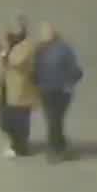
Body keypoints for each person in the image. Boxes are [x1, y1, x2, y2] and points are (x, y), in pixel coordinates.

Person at [30, 23, 83, 159]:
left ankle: (57, 146)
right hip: (57, 90)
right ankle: (56, 148)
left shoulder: (41, 50)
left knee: (53, 119)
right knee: (55, 119)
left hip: (50, 90)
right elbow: (75, 71)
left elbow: (33, 71)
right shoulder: (63, 49)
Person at [0, 18, 40, 158]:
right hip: (7, 87)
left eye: (12, 33)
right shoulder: (8, 46)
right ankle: (16, 142)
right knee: (4, 119)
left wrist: (5, 54)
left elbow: (18, 61)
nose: (9, 36)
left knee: (19, 120)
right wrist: (1, 53)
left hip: (21, 91)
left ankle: (19, 147)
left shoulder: (27, 47)